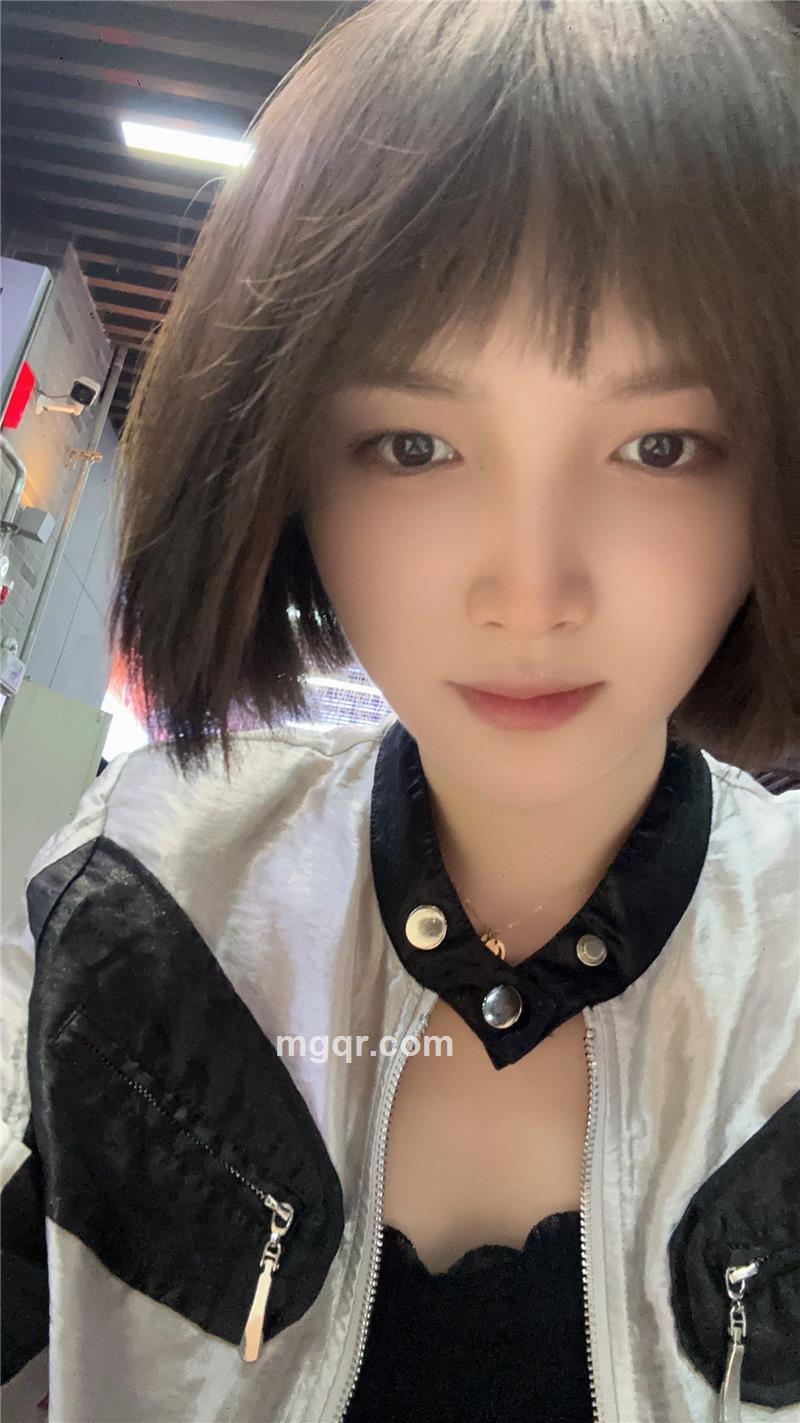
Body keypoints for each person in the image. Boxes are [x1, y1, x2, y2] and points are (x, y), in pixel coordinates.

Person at [2, 2, 798, 1420]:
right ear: (284, 469)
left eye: (661, 444)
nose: (531, 591)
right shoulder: (162, 888)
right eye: (415, 445)